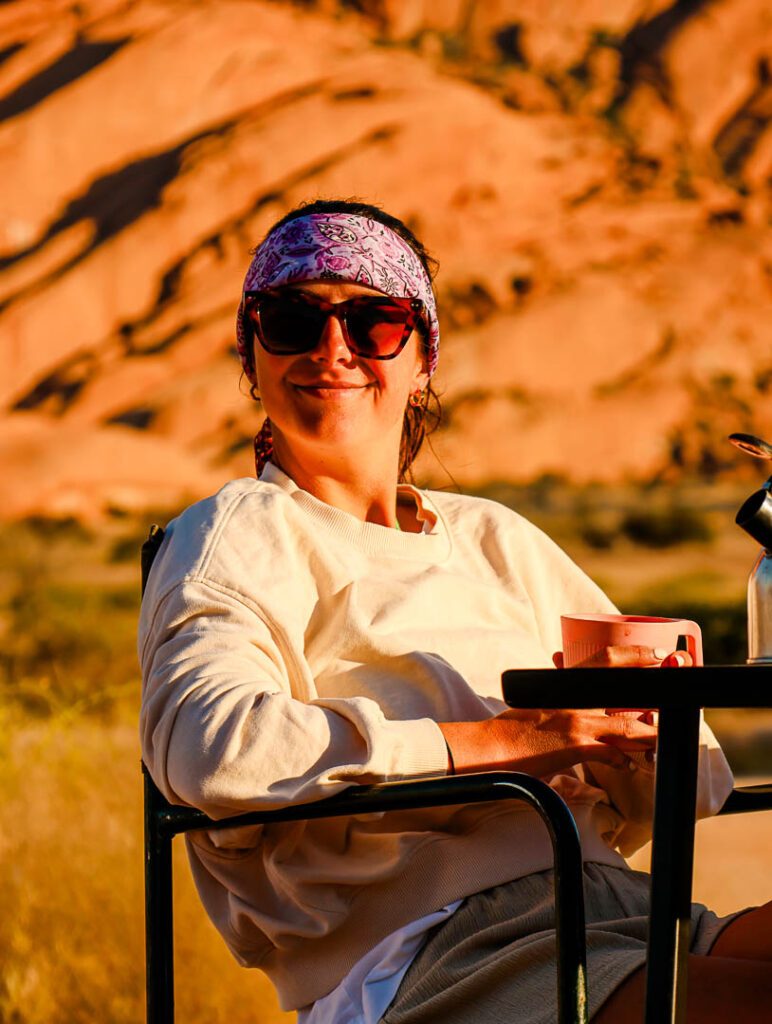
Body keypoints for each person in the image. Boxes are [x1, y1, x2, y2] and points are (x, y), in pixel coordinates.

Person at [139, 199, 772, 1023]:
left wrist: (628, 725)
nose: (333, 350)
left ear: (420, 356)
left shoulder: (491, 536)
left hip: (608, 904)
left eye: (374, 323)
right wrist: (517, 741)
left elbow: (703, 776)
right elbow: (214, 749)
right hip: (422, 952)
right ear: (251, 353)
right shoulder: (237, 534)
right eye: (292, 320)